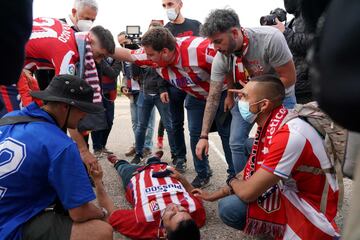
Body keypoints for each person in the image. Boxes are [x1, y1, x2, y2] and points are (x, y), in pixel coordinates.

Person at [192, 75, 340, 239]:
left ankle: (278, 230)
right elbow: (250, 167)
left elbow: (248, 193)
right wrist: (214, 195)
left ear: (263, 105)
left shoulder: (287, 136)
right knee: (249, 145)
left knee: (230, 208)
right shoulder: (277, 120)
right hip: (299, 184)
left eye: (245, 96)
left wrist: (231, 180)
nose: (239, 99)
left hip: (312, 201)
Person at [113, 27, 235, 188]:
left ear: (164, 51)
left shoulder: (201, 50)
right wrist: (92, 43)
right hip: (196, 96)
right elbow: (128, 55)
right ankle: (203, 173)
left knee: (227, 134)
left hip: (221, 93)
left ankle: (233, 175)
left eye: (151, 55)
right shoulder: (154, 54)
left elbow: (229, 61)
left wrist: (230, 95)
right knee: (196, 134)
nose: (147, 59)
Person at [0, 75, 113, 240]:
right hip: (8, 222)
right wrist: (102, 212)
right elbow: (79, 213)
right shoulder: (61, 145)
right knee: (101, 231)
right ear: (64, 107)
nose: (85, 114)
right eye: (82, 108)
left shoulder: (9, 118)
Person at [196, 9, 296, 174]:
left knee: (283, 143)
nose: (215, 48)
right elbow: (213, 98)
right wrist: (204, 136)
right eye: (212, 43)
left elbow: (289, 78)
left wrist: (256, 95)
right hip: (247, 98)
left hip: (281, 95)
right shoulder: (222, 57)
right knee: (235, 142)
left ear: (234, 32)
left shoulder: (270, 39)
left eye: (218, 41)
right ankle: (245, 184)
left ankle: (282, 186)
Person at [90, 151, 205, 239]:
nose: (175, 206)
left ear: (164, 232)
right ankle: (154, 158)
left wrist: (97, 181)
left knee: (123, 168)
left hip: (135, 176)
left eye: (172, 214)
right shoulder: (196, 214)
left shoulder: (141, 223)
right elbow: (195, 195)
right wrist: (181, 178)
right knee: (155, 161)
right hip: (162, 171)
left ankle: (117, 161)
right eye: (182, 210)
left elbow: (111, 212)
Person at [161, 0, 202, 168]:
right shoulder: (164, 32)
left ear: (180, 4)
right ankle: (180, 158)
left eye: (170, 3)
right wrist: (162, 88)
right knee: (175, 123)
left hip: (195, 84)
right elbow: (158, 61)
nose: (167, 8)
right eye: (164, 5)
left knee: (196, 127)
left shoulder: (196, 25)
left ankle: (202, 163)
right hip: (173, 85)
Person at [117, 32, 155, 158]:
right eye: (120, 44)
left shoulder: (144, 53)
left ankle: (147, 146)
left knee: (147, 122)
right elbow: (124, 75)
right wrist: (123, 86)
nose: (123, 45)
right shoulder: (123, 57)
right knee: (135, 122)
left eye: (125, 43)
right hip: (132, 93)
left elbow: (152, 72)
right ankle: (138, 144)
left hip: (145, 91)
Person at [272, 0, 313, 104]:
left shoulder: (313, 17)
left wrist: (285, 32)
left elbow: (313, 43)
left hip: (311, 89)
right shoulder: (291, 23)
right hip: (294, 88)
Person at [91, 57, 121, 156]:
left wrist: (101, 62)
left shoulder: (117, 59)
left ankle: (103, 145)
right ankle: (97, 148)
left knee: (109, 120)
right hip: (96, 93)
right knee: (97, 121)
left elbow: (113, 74)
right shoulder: (95, 58)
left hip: (110, 93)